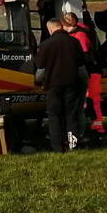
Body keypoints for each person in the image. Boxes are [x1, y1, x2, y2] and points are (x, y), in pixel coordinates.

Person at [34, 18, 86, 152]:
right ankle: (73, 143)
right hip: (71, 83)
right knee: (71, 114)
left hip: (53, 84)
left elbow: (39, 64)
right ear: (61, 27)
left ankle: (57, 146)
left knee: (54, 115)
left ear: (50, 29)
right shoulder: (74, 42)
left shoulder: (46, 44)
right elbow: (81, 62)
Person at [62, 12, 105, 136]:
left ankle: (97, 127)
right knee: (89, 99)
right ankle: (93, 125)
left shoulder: (80, 35)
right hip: (88, 70)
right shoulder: (78, 32)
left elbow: (84, 53)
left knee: (92, 98)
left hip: (90, 71)